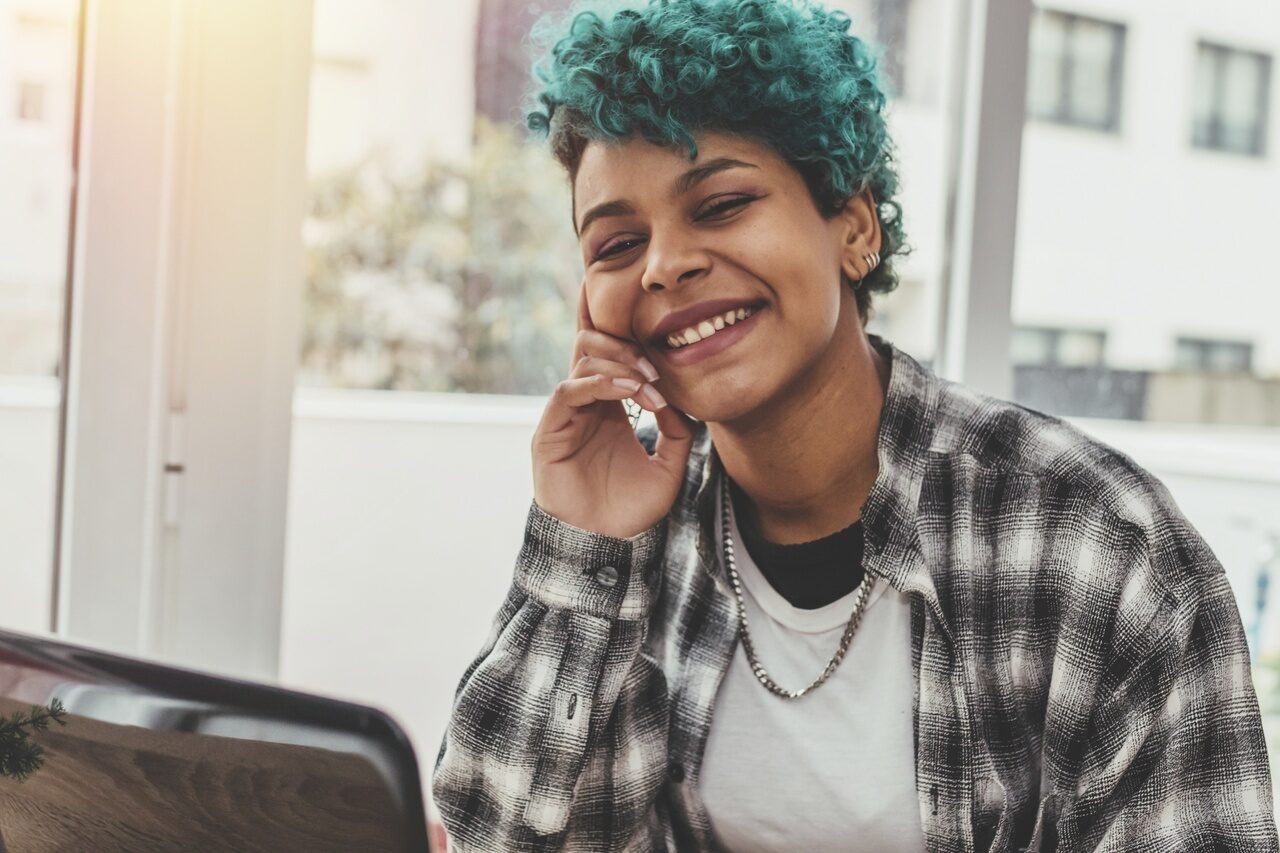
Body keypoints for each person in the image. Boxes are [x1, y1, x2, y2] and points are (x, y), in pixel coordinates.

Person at [430, 0, 1279, 850]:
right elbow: (498, 836)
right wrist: (583, 548)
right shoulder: (639, 531)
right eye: (615, 244)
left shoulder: (1102, 548)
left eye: (721, 203)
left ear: (855, 226)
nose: (663, 264)